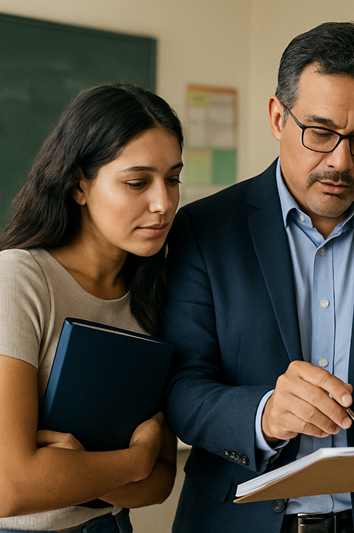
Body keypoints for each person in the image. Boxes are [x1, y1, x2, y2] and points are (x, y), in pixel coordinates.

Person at [161, 22, 354, 533]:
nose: (341, 162)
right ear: (277, 117)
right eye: (321, 133)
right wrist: (264, 415)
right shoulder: (203, 229)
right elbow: (181, 387)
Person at [0, 83, 181, 532]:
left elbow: (161, 482)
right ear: (80, 184)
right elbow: (11, 486)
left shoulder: (157, 291)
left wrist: (76, 471)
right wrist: (135, 460)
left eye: (173, 179)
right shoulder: (19, 279)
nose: (163, 203)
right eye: (137, 182)